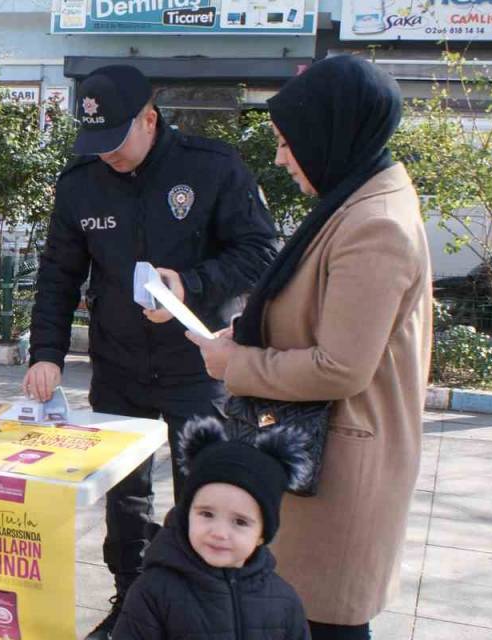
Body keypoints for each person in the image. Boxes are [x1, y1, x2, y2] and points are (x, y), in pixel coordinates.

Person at [22, 64, 277, 639]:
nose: (106, 154)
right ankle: (130, 605)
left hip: (197, 365)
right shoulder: (81, 182)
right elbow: (58, 276)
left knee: (203, 497)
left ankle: (197, 615)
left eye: (115, 140)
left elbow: (261, 251)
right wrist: (47, 353)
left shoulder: (212, 169)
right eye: (95, 142)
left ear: (149, 119)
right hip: (118, 365)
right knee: (125, 497)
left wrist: (193, 282)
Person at [187, 55, 430, 640]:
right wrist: (252, 327)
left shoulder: (376, 225)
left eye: (287, 142)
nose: (281, 156)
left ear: (331, 131)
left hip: (343, 467)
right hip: (318, 453)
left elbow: (341, 368)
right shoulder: (356, 195)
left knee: (328, 624)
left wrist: (235, 364)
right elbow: (321, 307)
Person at [112, 418, 311, 640]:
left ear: (262, 535)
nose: (219, 532)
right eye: (207, 514)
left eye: (240, 522)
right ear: (187, 516)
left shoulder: (283, 600)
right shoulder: (153, 592)